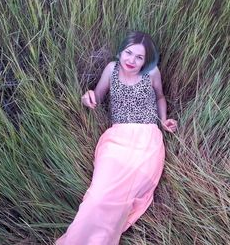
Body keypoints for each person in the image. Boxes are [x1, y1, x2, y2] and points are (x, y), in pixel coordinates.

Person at [56, 31, 177, 245]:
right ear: (120, 51)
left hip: (147, 140)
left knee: (122, 201)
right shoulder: (111, 69)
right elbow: (98, 95)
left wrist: (164, 120)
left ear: (145, 60)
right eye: (128, 53)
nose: (132, 60)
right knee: (97, 196)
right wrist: (87, 98)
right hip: (117, 138)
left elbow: (160, 97)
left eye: (139, 57)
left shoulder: (152, 73)